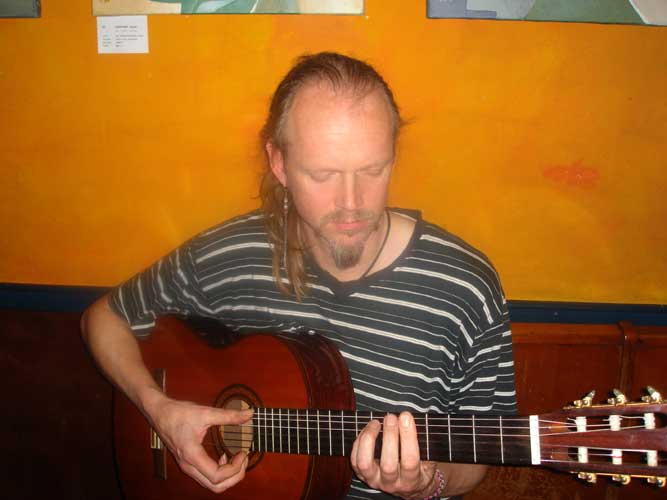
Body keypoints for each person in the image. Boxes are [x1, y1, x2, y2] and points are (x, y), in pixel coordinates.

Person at [81, 52, 517, 500]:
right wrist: (160, 411)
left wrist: (428, 483)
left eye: (373, 170)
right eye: (322, 174)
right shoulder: (234, 254)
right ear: (279, 163)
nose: (351, 202)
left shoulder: (466, 288)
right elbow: (104, 318)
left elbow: (481, 452)